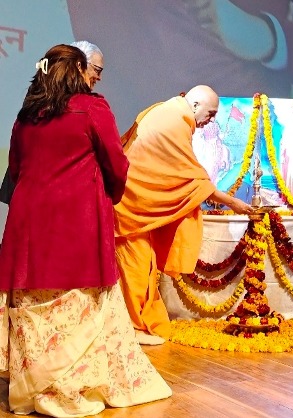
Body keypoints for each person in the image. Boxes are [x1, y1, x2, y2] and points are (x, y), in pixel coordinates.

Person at [0, 44, 171, 417]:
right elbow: (117, 164)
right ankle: (69, 390)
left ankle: (30, 389)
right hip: (76, 222)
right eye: (93, 70)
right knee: (80, 301)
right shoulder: (92, 108)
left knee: (32, 302)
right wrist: (107, 194)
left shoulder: (27, 114)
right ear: (77, 69)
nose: (96, 78)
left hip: (28, 223)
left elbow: (15, 167)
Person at [114, 85, 254, 346]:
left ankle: (136, 324)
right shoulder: (176, 121)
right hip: (129, 206)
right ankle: (131, 326)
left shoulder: (168, 110)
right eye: (211, 114)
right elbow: (192, 178)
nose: (211, 121)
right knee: (136, 268)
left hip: (134, 206)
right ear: (195, 105)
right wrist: (232, 202)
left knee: (143, 267)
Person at [0, 40, 104, 206]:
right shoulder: (54, 94)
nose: (99, 77)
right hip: (41, 190)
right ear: (79, 65)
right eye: (97, 70)